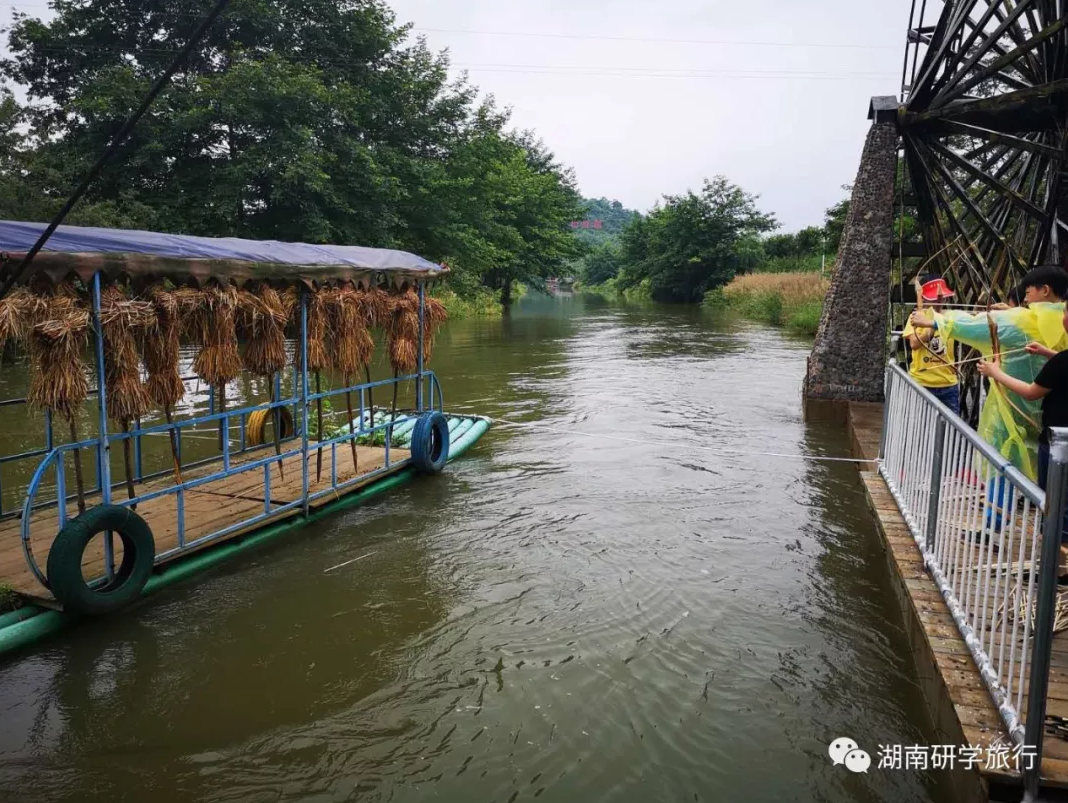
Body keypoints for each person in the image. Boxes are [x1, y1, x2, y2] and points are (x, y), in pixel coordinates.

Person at [910, 266, 1068, 483]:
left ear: (1045, 290)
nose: (1026, 298)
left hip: (1018, 408)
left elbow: (979, 325)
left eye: (1029, 291)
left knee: (1006, 458)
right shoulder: (1058, 319)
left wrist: (935, 321)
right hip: (1052, 416)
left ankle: (1003, 507)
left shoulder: (1022, 319)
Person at [978, 304, 1068, 559]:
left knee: (1054, 503)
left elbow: (1031, 391)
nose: (1062, 317)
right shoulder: (1060, 360)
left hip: (1057, 444)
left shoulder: (1062, 362)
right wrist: (1048, 352)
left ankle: (1056, 569)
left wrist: (995, 373)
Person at [902, 274, 960, 413]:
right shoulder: (915, 317)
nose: (939, 301)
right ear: (924, 298)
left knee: (950, 429)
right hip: (921, 383)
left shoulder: (952, 318)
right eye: (934, 298)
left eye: (941, 297)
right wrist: (931, 325)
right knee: (919, 427)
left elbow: (972, 328)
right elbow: (914, 344)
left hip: (948, 384)